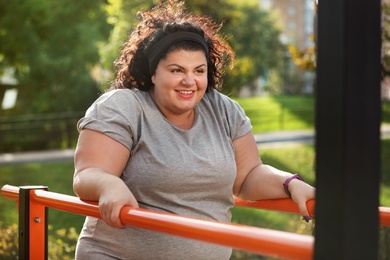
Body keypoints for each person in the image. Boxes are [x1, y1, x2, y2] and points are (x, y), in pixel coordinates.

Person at [73, 1, 315, 259]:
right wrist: (109, 185)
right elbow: (87, 175)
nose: (189, 81)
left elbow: (247, 178)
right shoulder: (124, 107)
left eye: (199, 70)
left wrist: (289, 183)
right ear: (153, 73)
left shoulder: (224, 110)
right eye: (176, 70)